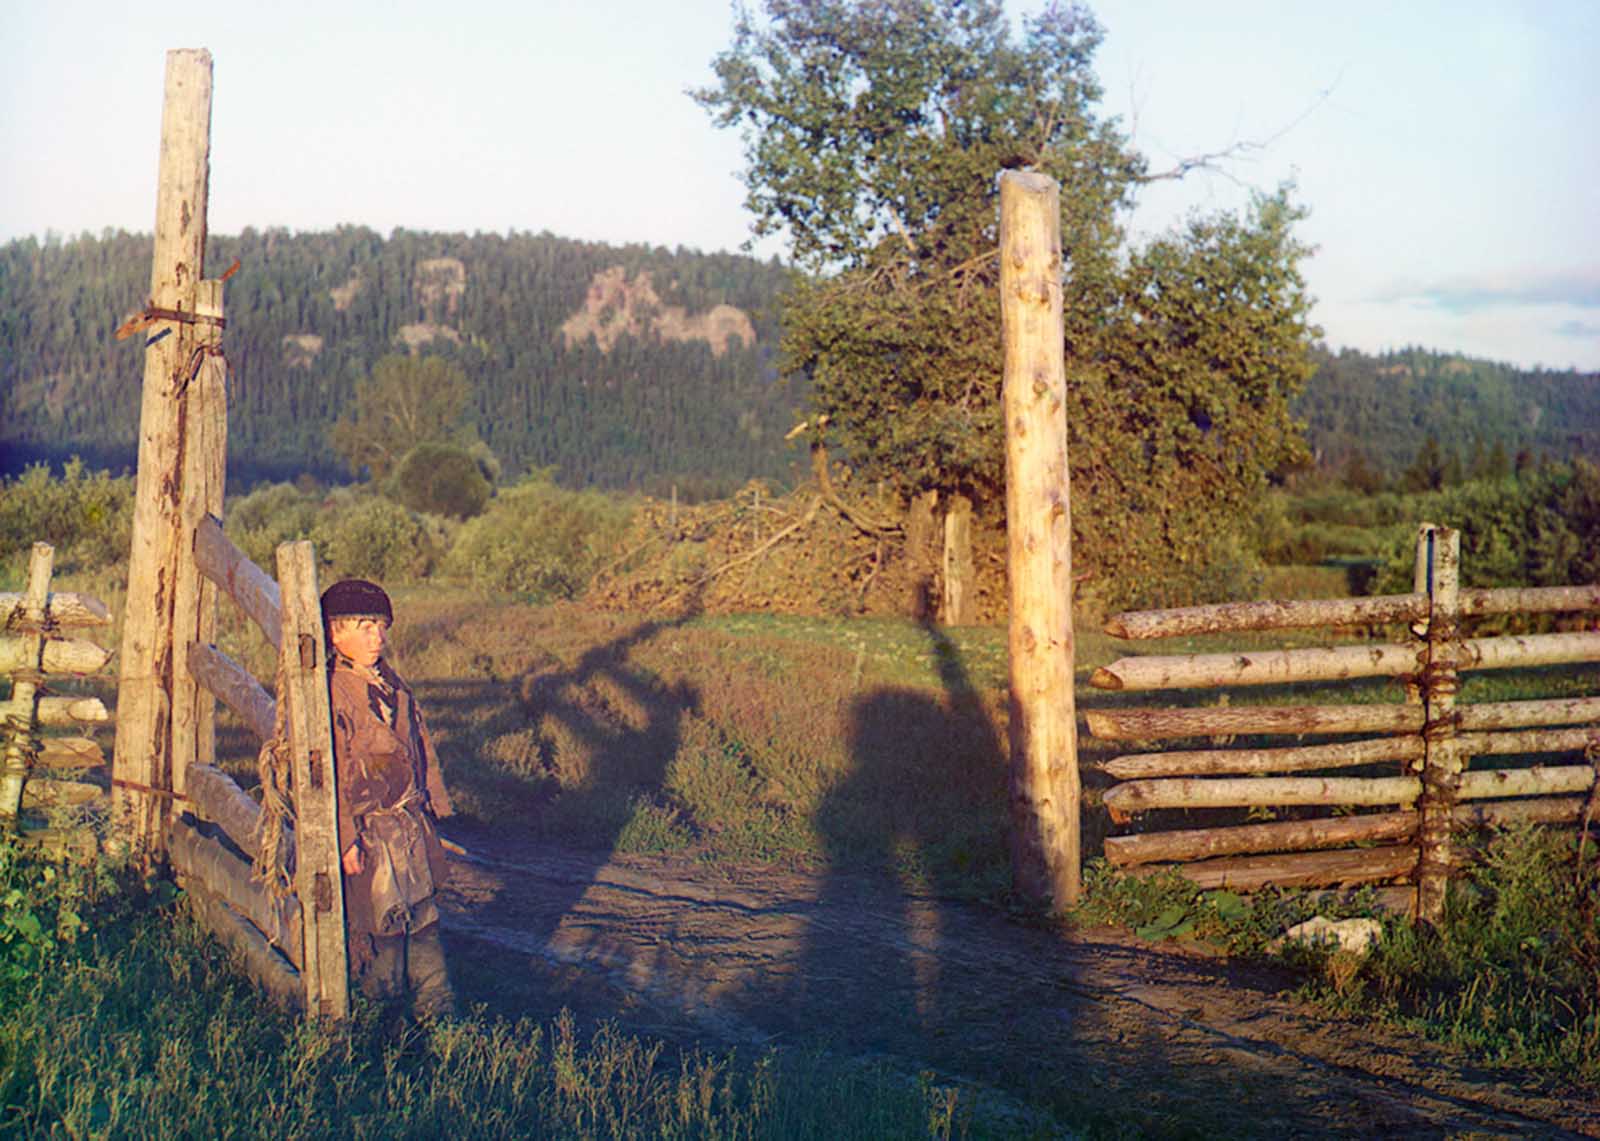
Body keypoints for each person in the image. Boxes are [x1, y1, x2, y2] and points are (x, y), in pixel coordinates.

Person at [321, 578, 456, 1019]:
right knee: (381, 930)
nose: (376, 636)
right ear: (334, 633)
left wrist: (434, 804)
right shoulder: (331, 694)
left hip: (408, 828)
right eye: (363, 626)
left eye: (380, 626)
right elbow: (328, 773)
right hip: (369, 833)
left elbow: (420, 746)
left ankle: (438, 1019)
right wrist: (345, 839)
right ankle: (387, 1029)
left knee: (424, 922)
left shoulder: (392, 686)